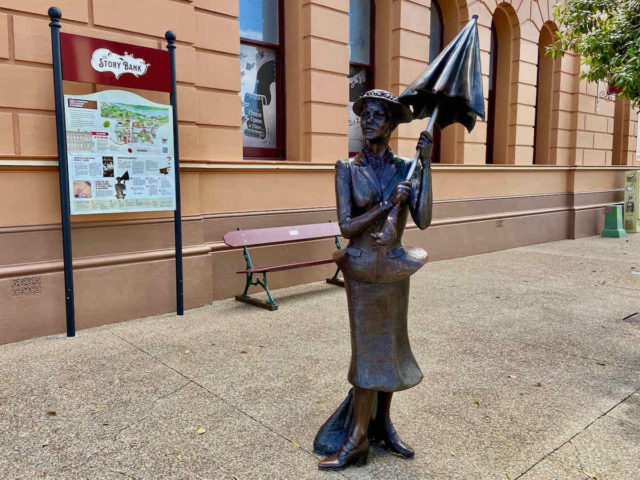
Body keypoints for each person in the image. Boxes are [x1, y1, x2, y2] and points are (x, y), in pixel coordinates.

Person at [317, 89, 433, 471]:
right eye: (364, 114)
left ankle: (381, 427)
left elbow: (424, 218)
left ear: (392, 123)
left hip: (396, 271)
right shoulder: (346, 168)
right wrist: (386, 204)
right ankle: (357, 440)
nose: (368, 121)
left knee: (389, 351)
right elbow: (347, 226)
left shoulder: (407, 168)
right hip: (363, 271)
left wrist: (427, 166)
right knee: (366, 354)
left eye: (377, 115)